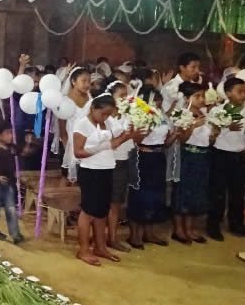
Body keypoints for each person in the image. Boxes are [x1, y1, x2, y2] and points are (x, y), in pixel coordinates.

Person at [72, 94, 139, 266]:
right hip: (90, 171)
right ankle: (83, 250)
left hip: (107, 168)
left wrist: (129, 135)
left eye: (109, 114)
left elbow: (114, 144)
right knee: (88, 211)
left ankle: (100, 247)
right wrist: (103, 146)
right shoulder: (82, 124)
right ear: (93, 108)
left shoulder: (107, 122)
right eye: (103, 113)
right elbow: (78, 152)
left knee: (102, 211)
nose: (106, 117)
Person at [208, 77, 245, 241]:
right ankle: (213, 225)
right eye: (240, 91)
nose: (244, 95)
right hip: (221, 154)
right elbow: (211, 133)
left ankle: (237, 224)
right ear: (228, 93)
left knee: (238, 192)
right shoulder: (217, 111)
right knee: (218, 191)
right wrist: (226, 128)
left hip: (239, 155)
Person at [127, 86, 175, 249]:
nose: (158, 107)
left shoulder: (162, 116)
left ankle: (149, 233)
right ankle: (134, 235)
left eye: (160, 104)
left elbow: (166, 142)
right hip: (143, 157)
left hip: (158, 157)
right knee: (140, 195)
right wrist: (146, 126)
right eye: (155, 103)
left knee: (156, 195)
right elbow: (135, 139)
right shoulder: (138, 115)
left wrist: (176, 134)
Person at [172, 81, 218, 245]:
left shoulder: (204, 113)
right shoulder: (182, 114)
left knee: (196, 192)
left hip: (203, 157)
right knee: (183, 193)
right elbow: (181, 140)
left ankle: (189, 229)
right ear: (186, 98)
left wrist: (214, 135)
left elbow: (208, 140)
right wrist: (192, 126)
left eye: (202, 96)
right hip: (188, 157)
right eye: (197, 96)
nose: (201, 99)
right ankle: (178, 230)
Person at [103, 79, 133, 253]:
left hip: (122, 161)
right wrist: (128, 135)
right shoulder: (105, 117)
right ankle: (99, 238)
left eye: (126, 95)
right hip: (106, 162)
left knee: (116, 202)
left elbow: (133, 139)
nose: (125, 98)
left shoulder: (128, 114)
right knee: (103, 202)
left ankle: (112, 238)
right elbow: (110, 142)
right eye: (121, 95)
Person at [59, 67, 92, 182]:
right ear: (73, 81)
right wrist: (66, 145)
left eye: (89, 81)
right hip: (72, 142)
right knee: (75, 178)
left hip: (89, 141)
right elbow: (62, 126)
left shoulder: (90, 97)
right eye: (84, 81)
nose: (87, 84)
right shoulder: (65, 100)